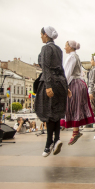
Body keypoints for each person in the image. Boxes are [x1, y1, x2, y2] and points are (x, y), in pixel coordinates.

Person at [35, 26, 70, 157]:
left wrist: (48, 86)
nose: (40, 36)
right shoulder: (58, 49)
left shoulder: (46, 48)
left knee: (48, 112)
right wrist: (66, 87)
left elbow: (45, 67)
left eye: (41, 34)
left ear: (45, 35)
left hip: (49, 82)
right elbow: (61, 69)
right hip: (60, 82)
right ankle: (56, 140)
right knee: (56, 112)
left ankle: (49, 143)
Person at [61, 40, 95, 145]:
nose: (64, 47)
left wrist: (63, 85)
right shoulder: (76, 57)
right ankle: (75, 131)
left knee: (72, 106)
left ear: (70, 47)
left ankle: (73, 132)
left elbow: (67, 72)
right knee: (77, 107)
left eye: (66, 45)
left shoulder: (71, 57)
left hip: (74, 83)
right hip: (79, 83)